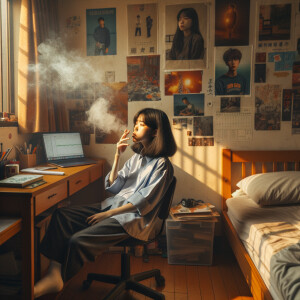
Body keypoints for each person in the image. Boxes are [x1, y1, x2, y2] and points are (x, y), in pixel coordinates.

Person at [33, 108, 177, 298]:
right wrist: (117, 155)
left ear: (156, 131)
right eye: (135, 123)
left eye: (141, 124)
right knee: (62, 215)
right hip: (113, 207)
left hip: (134, 220)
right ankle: (54, 274)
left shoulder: (162, 166)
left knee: (78, 240)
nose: (135, 127)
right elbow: (114, 187)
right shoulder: (137, 157)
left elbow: (144, 201)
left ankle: (61, 280)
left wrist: (108, 214)